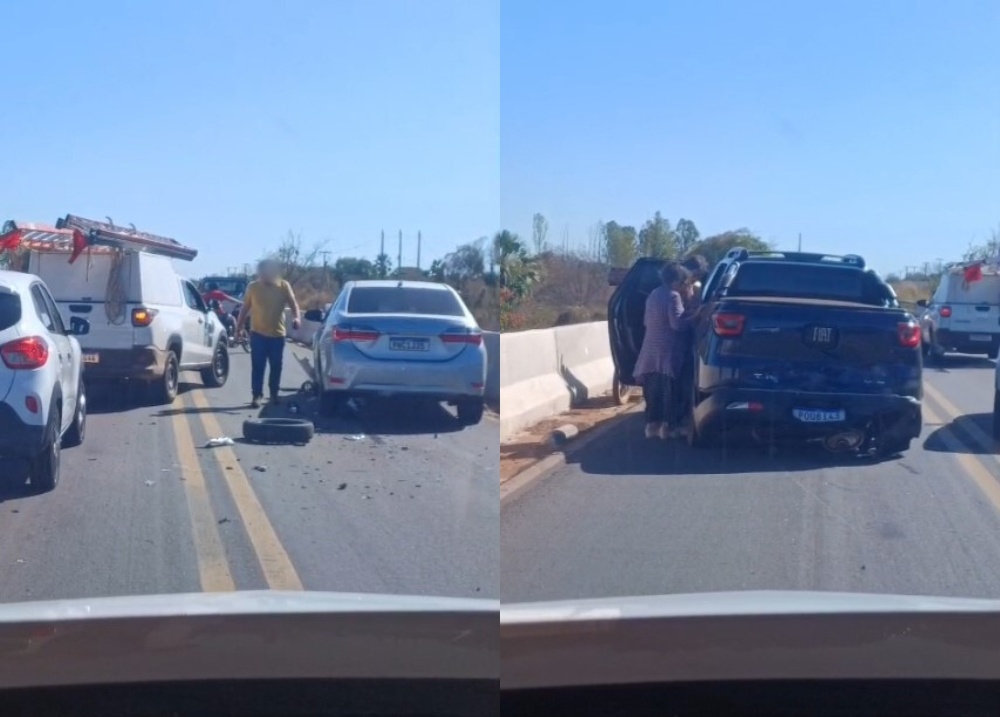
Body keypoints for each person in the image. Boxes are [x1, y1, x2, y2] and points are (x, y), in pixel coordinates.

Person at [632, 262, 693, 439]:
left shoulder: (653, 294)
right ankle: (668, 427)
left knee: (653, 391)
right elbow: (677, 324)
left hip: (650, 349)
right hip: (668, 351)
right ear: (677, 281)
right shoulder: (673, 296)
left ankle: (652, 425)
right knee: (670, 392)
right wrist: (696, 316)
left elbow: (646, 321)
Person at [235, 259, 301, 408]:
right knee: (258, 366)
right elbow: (245, 308)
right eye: (261, 274)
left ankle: (274, 393)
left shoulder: (284, 286)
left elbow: (294, 304)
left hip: (278, 335)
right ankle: (257, 395)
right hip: (258, 334)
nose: (264, 276)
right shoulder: (253, 287)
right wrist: (239, 327)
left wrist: (297, 318)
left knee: (276, 366)